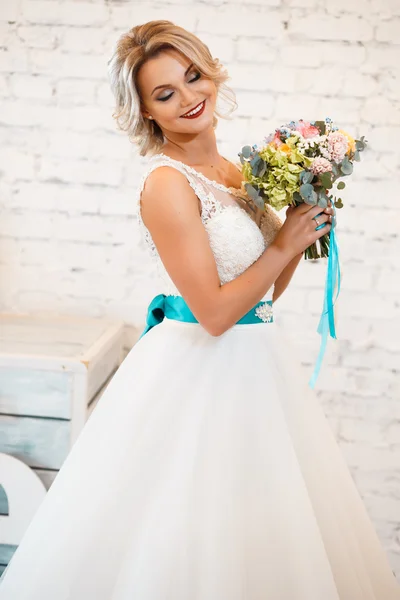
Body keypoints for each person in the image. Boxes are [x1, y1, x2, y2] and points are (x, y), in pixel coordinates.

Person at [0, 19, 399, 600]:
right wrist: (284, 243)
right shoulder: (167, 184)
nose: (188, 98)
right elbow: (213, 314)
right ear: (145, 113)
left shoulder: (237, 173)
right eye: (165, 93)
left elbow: (261, 300)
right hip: (196, 371)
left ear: (212, 73)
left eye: (193, 77)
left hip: (258, 367)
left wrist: (303, 227)